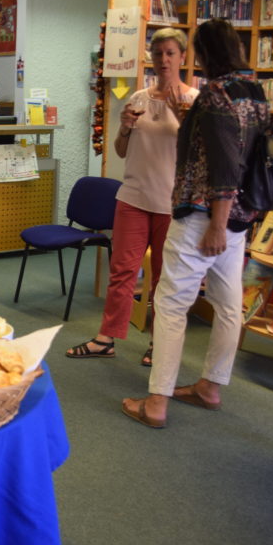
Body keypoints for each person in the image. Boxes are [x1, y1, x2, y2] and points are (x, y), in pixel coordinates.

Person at [121, 18, 270, 429]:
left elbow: (223, 166)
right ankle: (210, 387)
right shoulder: (255, 92)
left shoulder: (217, 96)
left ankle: (156, 402)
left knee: (170, 304)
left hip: (204, 219)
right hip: (239, 219)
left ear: (203, 54)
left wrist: (216, 225)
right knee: (226, 305)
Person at [65, 28, 197, 367]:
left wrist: (184, 121)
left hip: (171, 204)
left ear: (182, 57)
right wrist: (123, 128)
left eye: (170, 53)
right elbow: (122, 152)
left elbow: (198, 157)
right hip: (133, 198)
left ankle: (158, 342)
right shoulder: (138, 98)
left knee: (164, 278)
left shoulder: (193, 102)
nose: (164, 60)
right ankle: (106, 338)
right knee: (122, 272)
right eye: (158, 53)